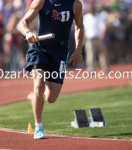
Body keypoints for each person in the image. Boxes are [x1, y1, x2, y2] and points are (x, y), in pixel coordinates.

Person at [18, 0, 84, 140]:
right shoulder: (42, 1)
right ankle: (39, 127)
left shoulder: (75, 4)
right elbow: (22, 23)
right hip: (40, 49)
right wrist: (28, 32)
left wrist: (78, 50)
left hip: (60, 53)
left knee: (51, 98)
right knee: (39, 84)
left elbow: (80, 27)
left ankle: (36, 95)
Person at [83, 7, 109, 73]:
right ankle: (90, 69)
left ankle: (105, 68)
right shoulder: (86, 17)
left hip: (98, 38)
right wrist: (84, 37)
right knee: (90, 54)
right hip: (89, 38)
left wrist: (102, 34)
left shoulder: (99, 16)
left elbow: (103, 27)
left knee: (103, 53)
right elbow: (83, 28)